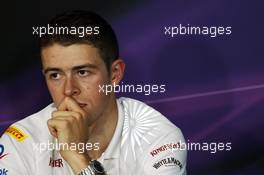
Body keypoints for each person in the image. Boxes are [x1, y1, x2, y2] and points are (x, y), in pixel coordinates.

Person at [0, 10, 187, 175]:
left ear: (115, 74)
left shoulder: (159, 138)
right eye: (55, 75)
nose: (68, 89)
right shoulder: (21, 140)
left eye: (83, 72)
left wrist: (76, 154)